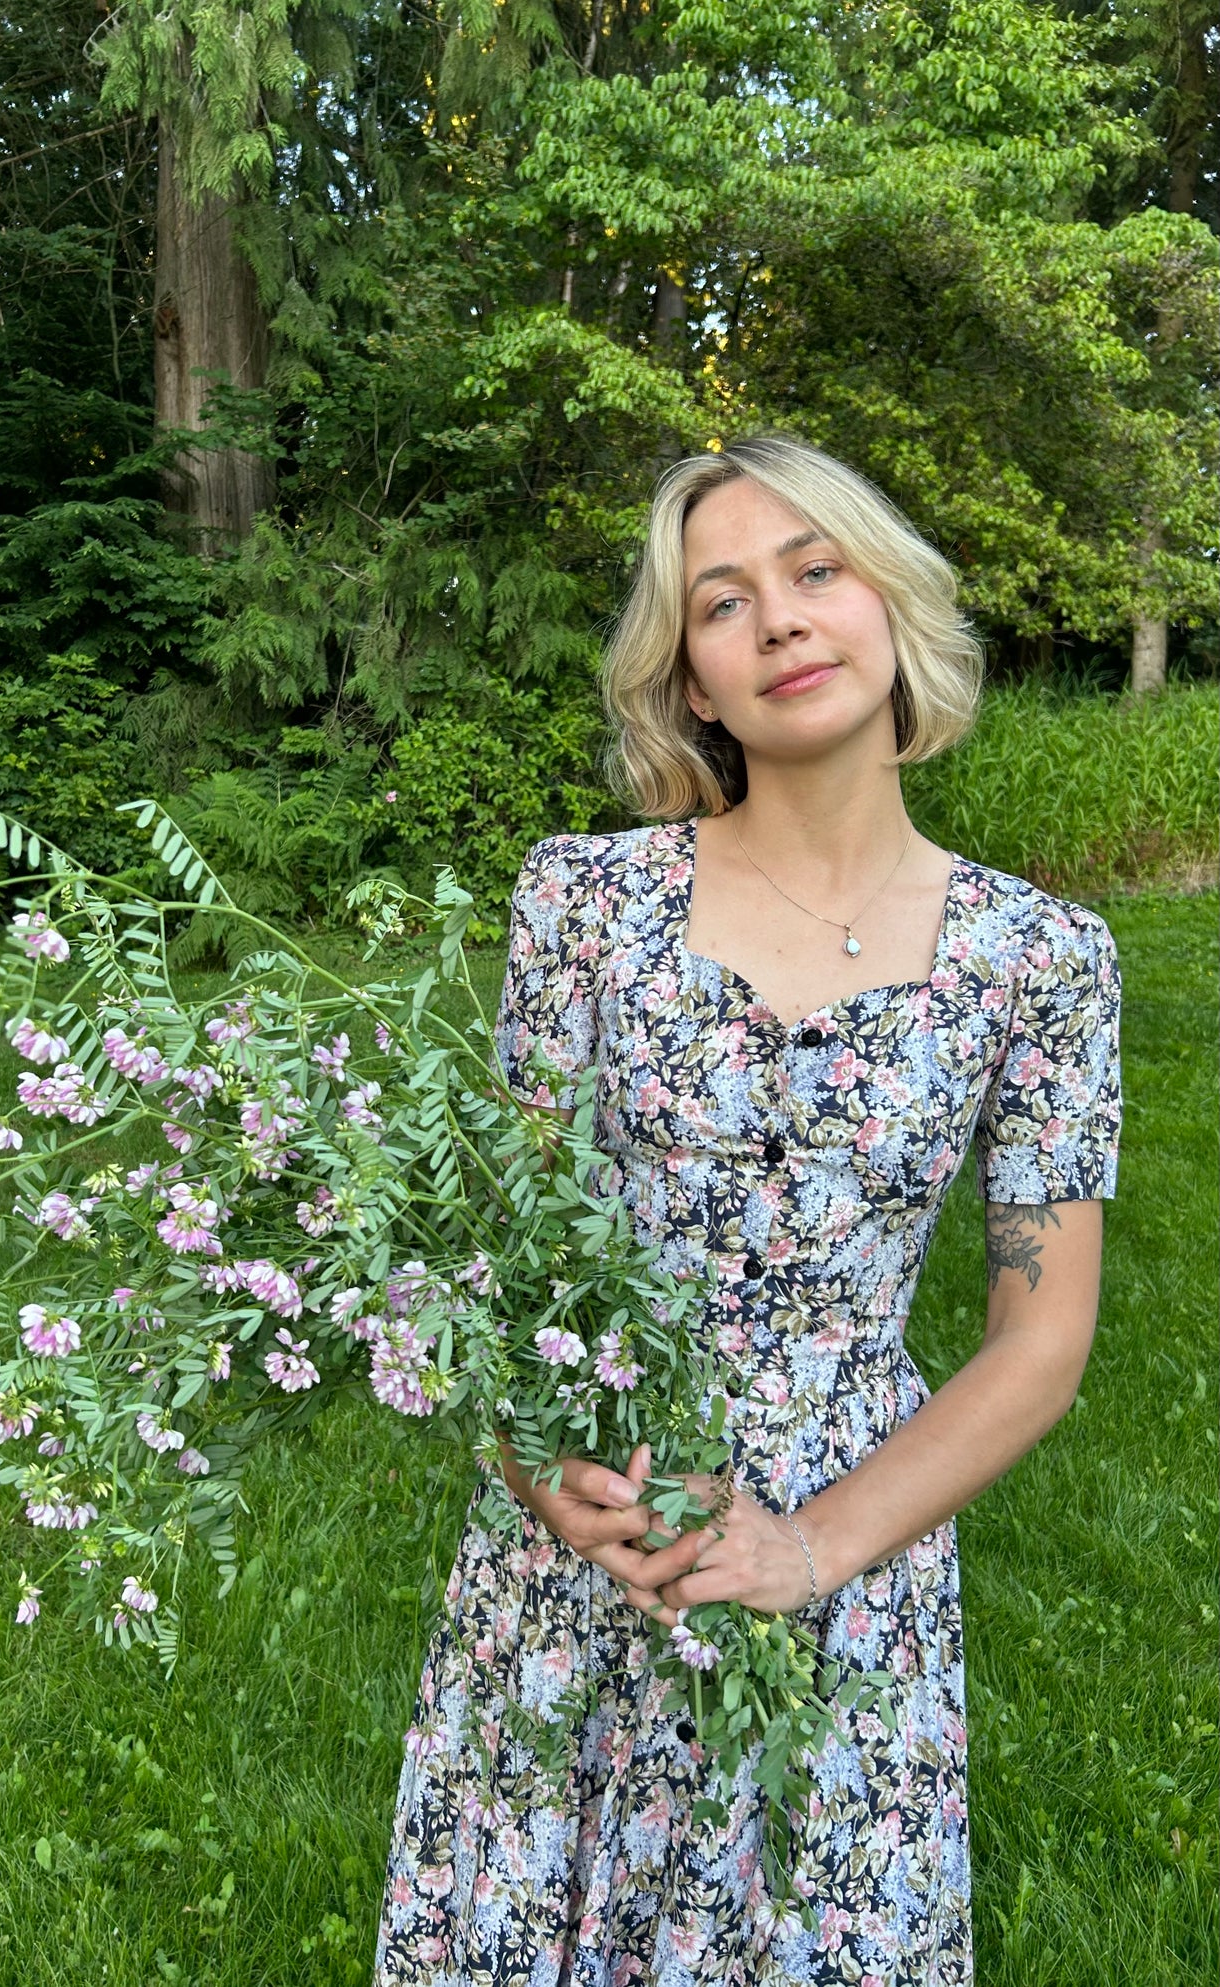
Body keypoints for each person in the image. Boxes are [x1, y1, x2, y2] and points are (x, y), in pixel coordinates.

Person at [373, 435, 1121, 1986]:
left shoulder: (1041, 960)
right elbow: (509, 1261)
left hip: (850, 1544)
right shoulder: (580, 905)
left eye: (814, 570)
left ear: (890, 609)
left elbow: (1039, 1340)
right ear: (691, 684)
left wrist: (809, 1552)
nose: (779, 620)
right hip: (590, 1542)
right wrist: (532, 1464)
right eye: (723, 602)